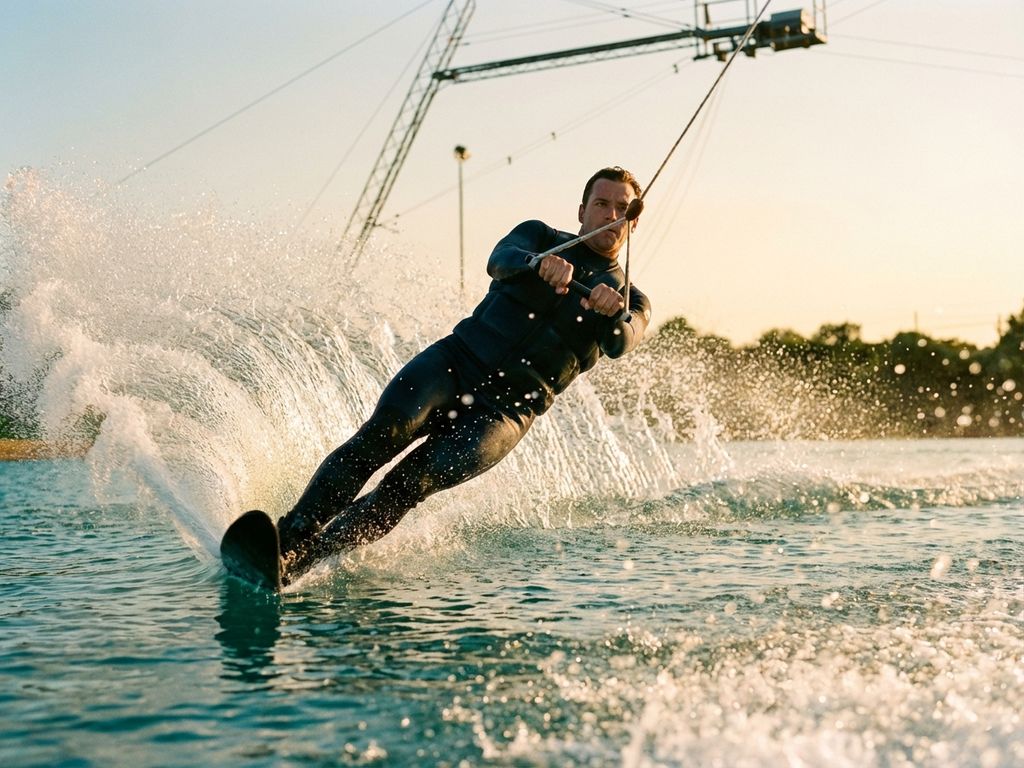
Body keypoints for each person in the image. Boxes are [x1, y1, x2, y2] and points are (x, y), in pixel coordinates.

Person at [277, 166, 652, 582]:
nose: (611, 214)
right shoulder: (540, 236)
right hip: (455, 362)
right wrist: (538, 263)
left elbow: (623, 340)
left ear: (633, 220)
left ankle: (304, 562)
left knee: (410, 484)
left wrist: (612, 310)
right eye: (602, 204)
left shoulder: (631, 299)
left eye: (622, 208)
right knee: (384, 432)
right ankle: (288, 538)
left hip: (506, 413)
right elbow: (500, 260)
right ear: (582, 210)